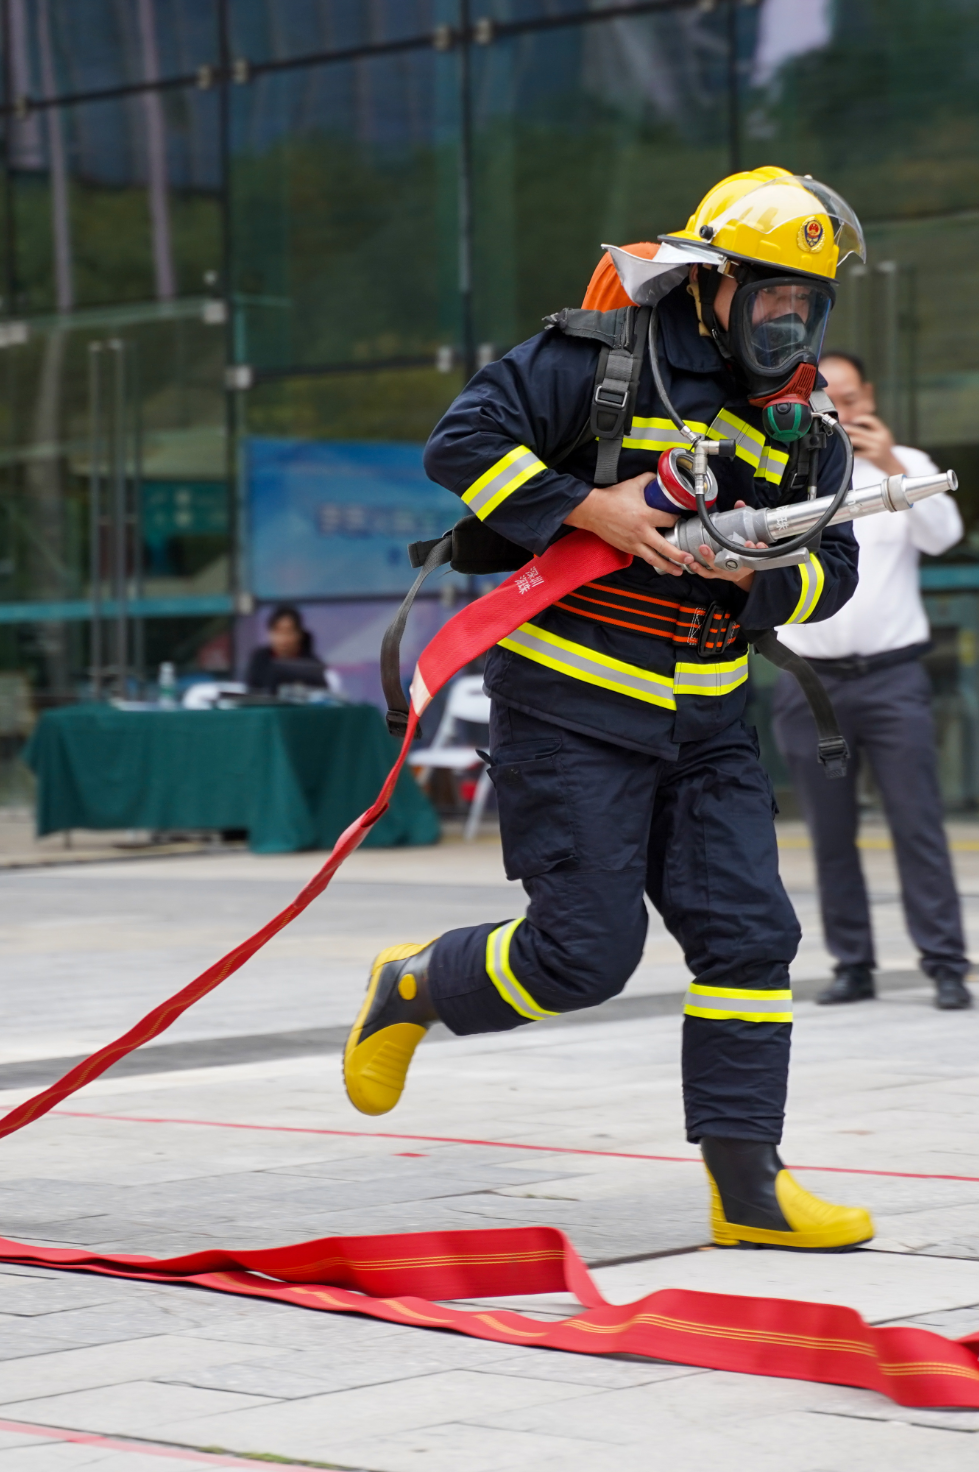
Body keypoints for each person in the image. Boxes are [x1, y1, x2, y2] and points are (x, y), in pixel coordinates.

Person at [341, 168, 878, 1250]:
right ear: (715, 282)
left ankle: (748, 1190)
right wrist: (590, 506)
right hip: (572, 709)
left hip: (710, 718)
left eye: (808, 304)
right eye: (773, 293)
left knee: (749, 938)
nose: (790, 320)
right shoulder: (597, 356)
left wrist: (759, 578)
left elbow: (838, 567)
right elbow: (460, 443)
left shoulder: (806, 415)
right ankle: (413, 983)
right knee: (582, 956)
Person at [770, 351, 971, 1011]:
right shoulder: (782, 472)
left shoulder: (906, 463)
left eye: (850, 399)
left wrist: (891, 468)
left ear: (870, 398)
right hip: (810, 684)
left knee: (918, 824)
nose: (841, 413)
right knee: (830, 833)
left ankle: (946, 964)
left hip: (891, 678)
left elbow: (944, 537)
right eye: (827, 400)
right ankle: (852, 964)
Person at [243, 604, 328, 694]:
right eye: (278, 631)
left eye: (288, 632)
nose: (283, 639)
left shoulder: (312, 664)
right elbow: (250, 691)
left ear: (299, 634)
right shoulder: (259, 658)